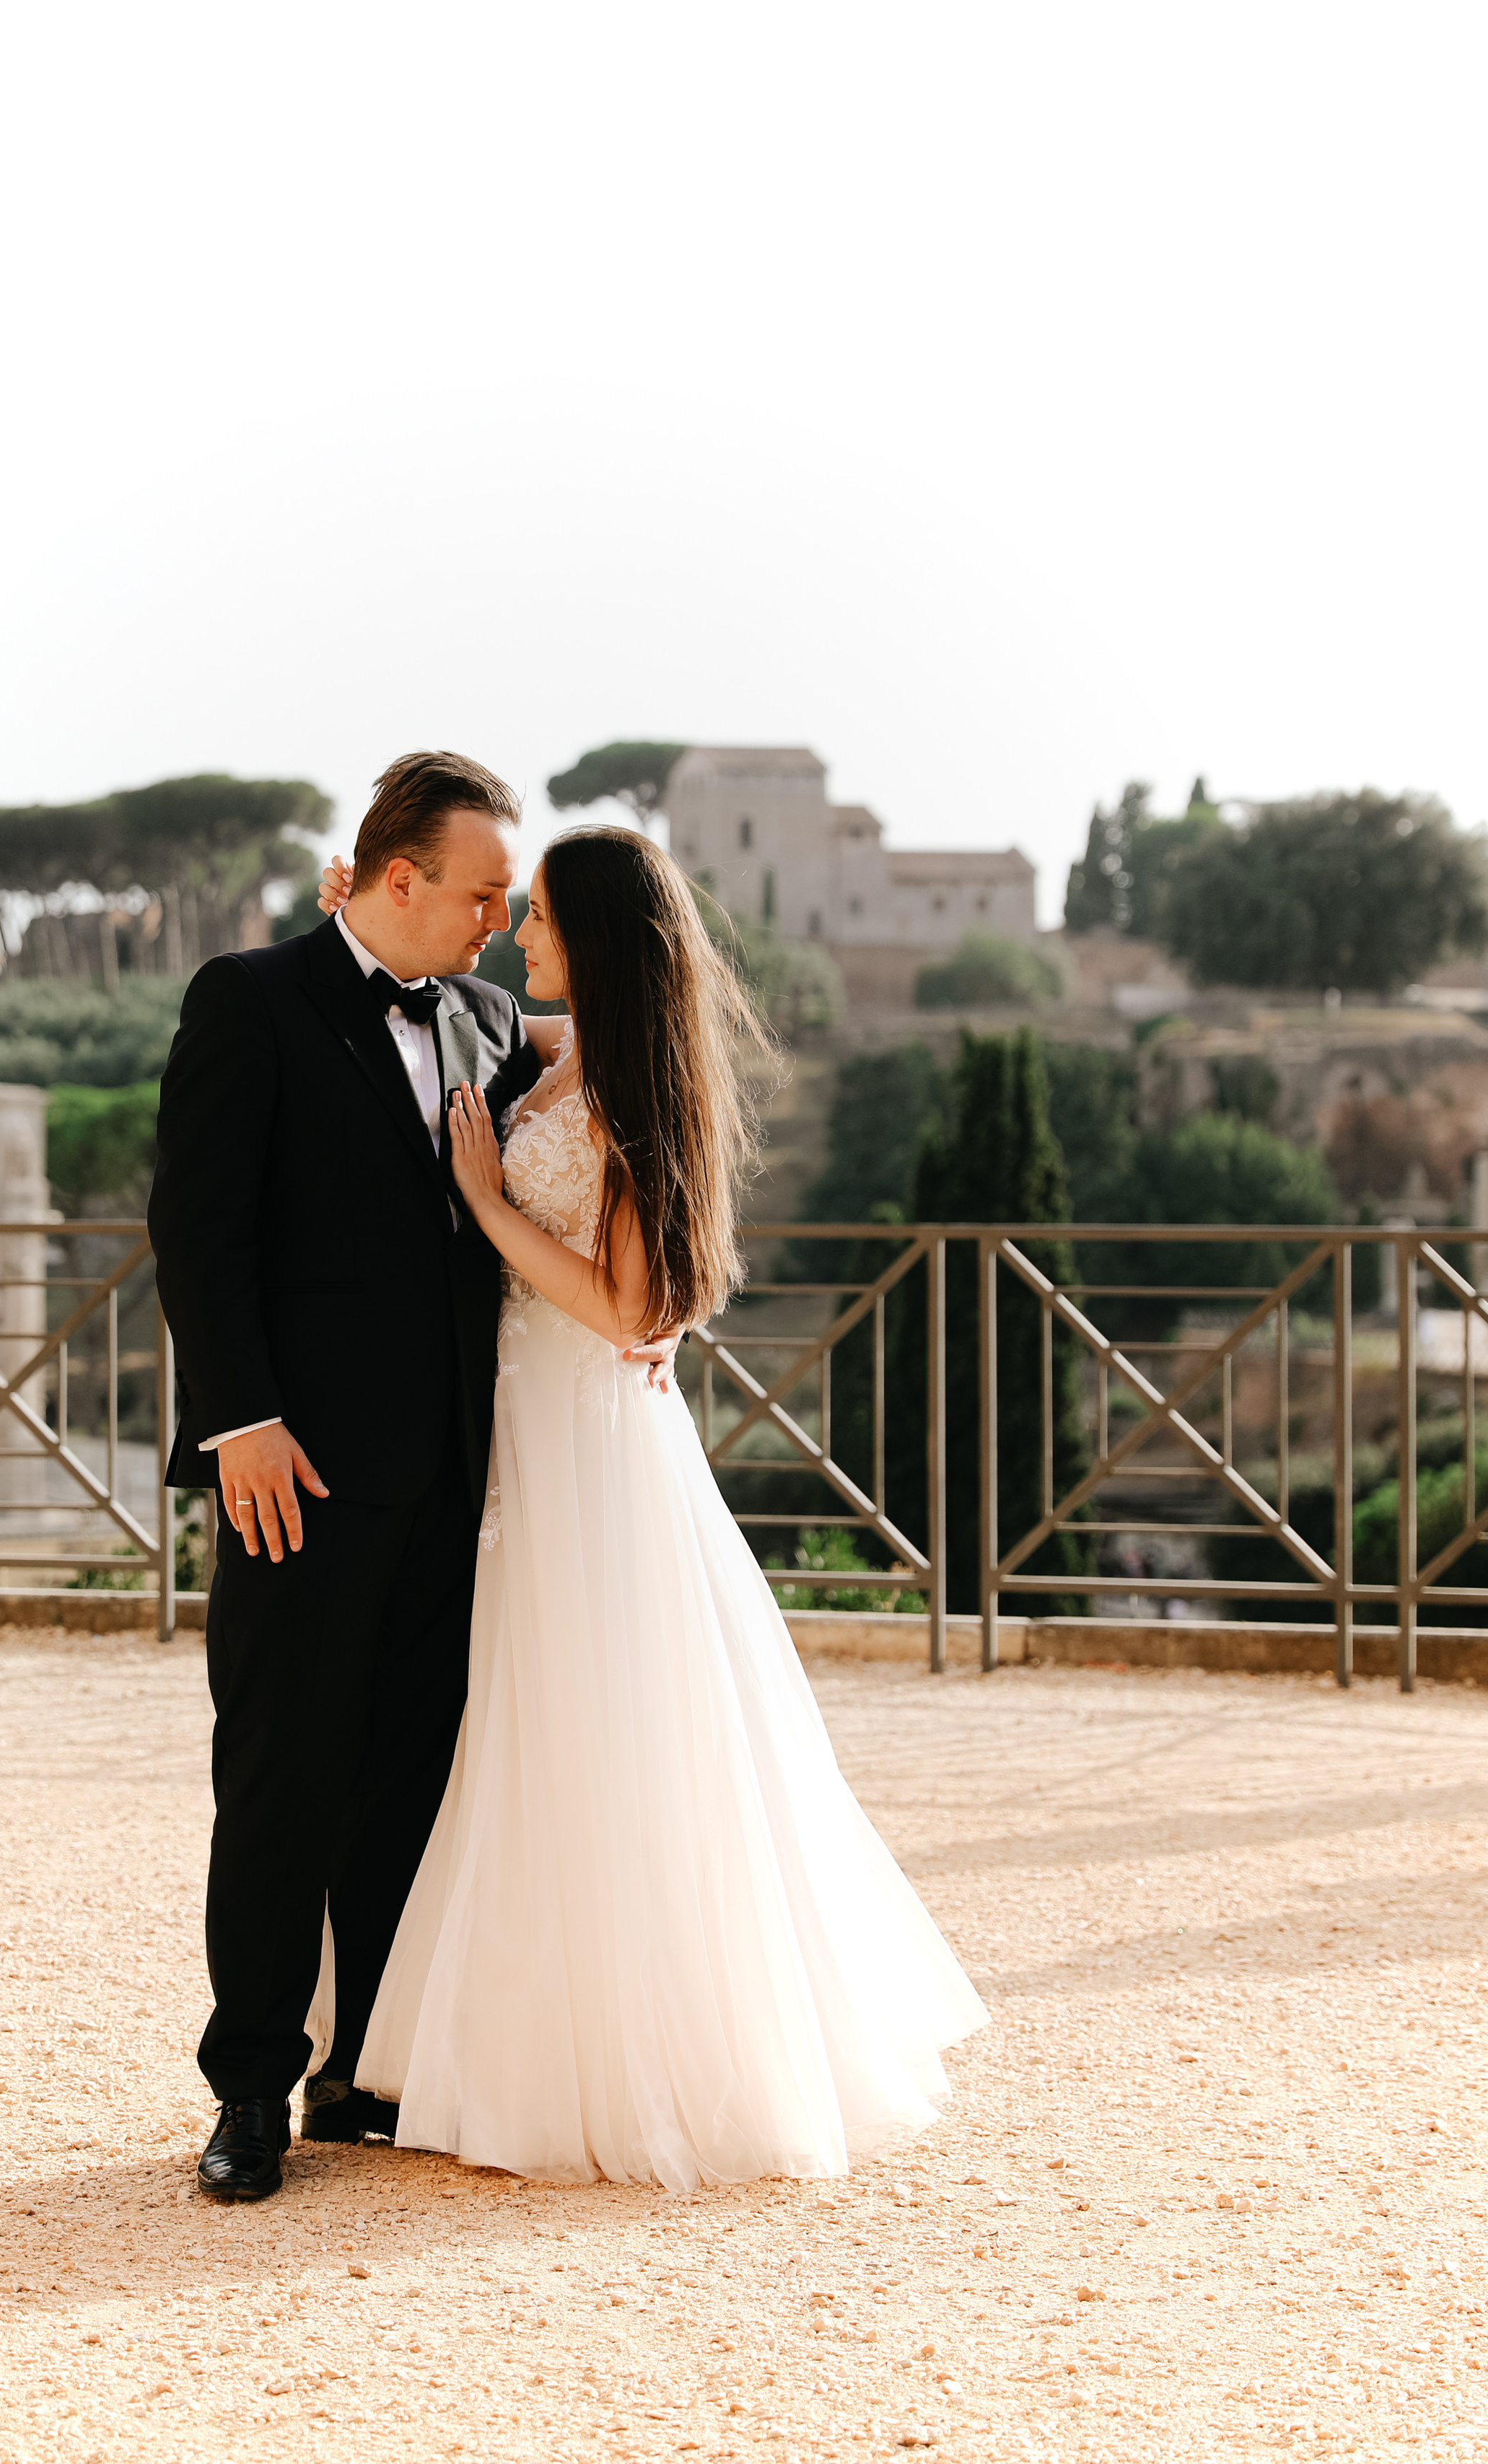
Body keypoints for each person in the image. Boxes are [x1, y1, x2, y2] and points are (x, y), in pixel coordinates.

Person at [323, 827, 987, 2188]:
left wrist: (484, 1203)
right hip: (521, 1416)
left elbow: (632, 1304)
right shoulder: (555, 1044)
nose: (522, 935)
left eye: (548, 917)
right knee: (517, 1719)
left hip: (582, 1431)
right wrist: (348, 909)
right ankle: (490, 2045)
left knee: (595, 1723)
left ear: (602, 937)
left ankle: (615, 2064)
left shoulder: (631, 1087)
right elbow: (453, 1013)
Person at [146, 753, 678, 2203]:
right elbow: (199, 1235)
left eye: (515, 899)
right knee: (276, 1787)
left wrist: (657, 1305)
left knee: (406, 1790)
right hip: (293, 1479)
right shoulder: (247, 1002)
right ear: (398, 883)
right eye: (482, 893)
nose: (501, 921)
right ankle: (247, 2090)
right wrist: (238, 1418)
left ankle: (362, 2074)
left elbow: (631, 1109)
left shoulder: (501, 1022)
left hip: (465, 1483)